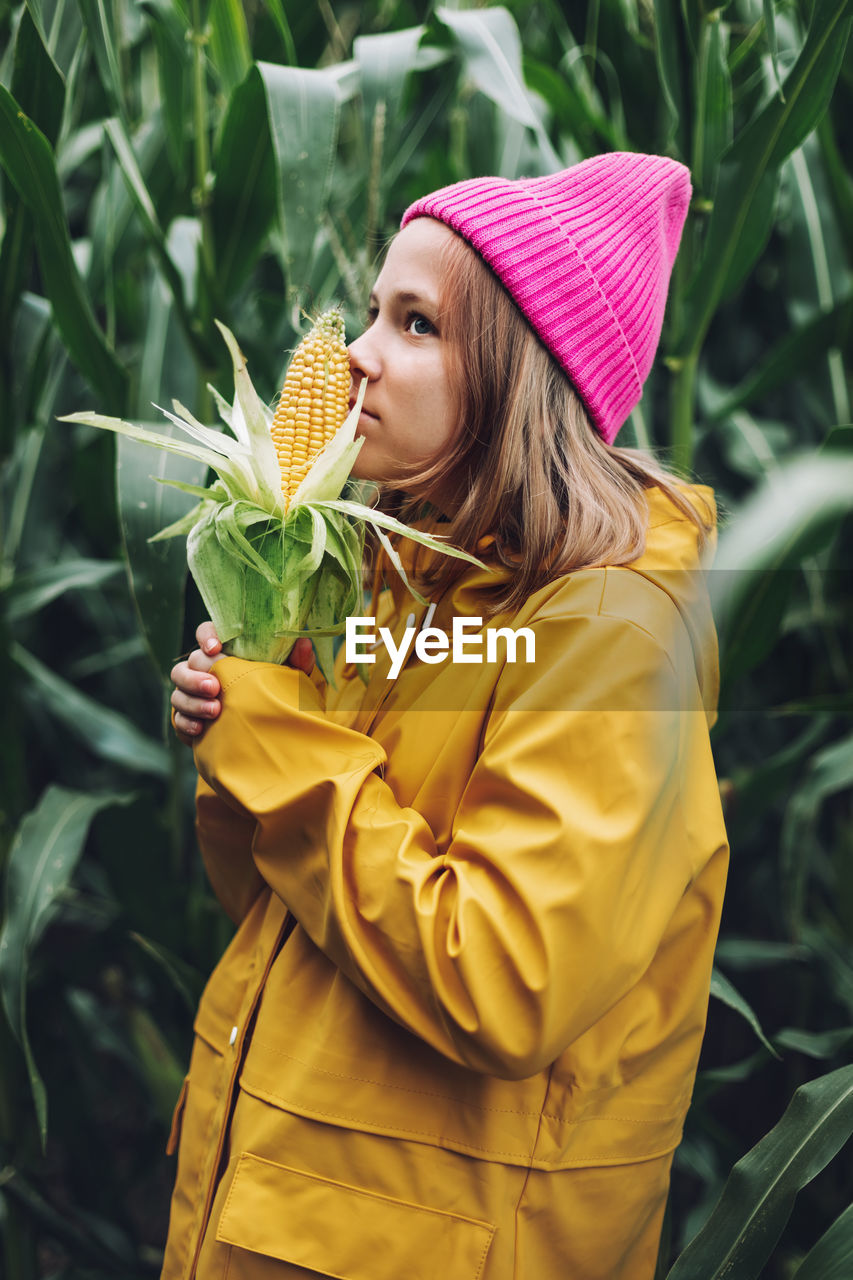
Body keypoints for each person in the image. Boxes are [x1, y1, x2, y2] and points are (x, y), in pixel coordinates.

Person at [165, 153, 729, 1280]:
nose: (357, 353)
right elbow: (288, 919)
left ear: (523, 378)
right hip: (285, 1216)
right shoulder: (397, 588)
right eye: (375, 309)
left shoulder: (614, 637)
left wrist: (275, 743)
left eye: (416, 324)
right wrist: (242, 720)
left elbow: (501, 977)